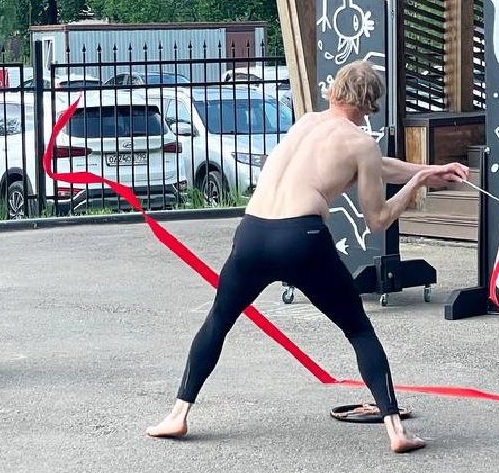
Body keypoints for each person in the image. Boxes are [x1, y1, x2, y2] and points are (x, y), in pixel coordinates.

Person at [146, 60, 469, 453]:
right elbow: (379, 218)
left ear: (334, 92)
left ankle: (177, 415)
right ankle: (396, 431)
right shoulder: (360, 141)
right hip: (302, 237)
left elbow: (378, 168)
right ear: (370, 106)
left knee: (218, 322)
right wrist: (419, 182)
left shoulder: (305, 123)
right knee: (358, 329)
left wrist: (430, 169)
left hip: (252, 232)